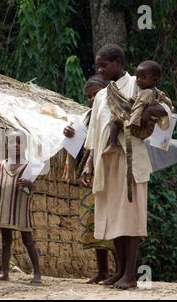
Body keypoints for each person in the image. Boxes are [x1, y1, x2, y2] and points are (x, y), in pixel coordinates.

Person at [82, 44, 172, 289]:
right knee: (115, 216)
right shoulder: (101, 95)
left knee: (130, 215)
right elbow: (94, 135)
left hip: (130, 157)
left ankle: (130, 275)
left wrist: (146, 113)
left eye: (104, 65)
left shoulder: (137, 82)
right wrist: (88, 164)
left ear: (118, 62)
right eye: (98, 65)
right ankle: (120, 271)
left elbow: (165, 109)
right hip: (105, 159)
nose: (100, 69)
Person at [64, 75, 118, 284]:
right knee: (93, 223)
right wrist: (70, 134)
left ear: (106, 91)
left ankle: (121, 270)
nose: (92, 99)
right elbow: (81, 145)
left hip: (107, 172)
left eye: (96, 94)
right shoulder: (86, 117)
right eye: (88, 96)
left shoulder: (113, 111)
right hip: (89, 176)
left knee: (113, 222)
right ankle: (103, 271)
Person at [0, 129, 41, 283]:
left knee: (28, 240)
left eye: (20, 142)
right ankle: (5, 273)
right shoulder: (0, 165)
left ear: (25, 145)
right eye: (12, 142)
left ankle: (37, 273)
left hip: (20, 209)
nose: (16, 145)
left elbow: (34, 188)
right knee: (6, 241)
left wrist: (29, 183)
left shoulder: (28, 165)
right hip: (4, 209)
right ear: (6, 144)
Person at [102, 60, 173, 156]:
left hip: (137, 125)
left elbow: (138, 107)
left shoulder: (145, 92)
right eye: (138, 77)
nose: (138, 80)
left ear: (154, 79)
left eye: (143, 77)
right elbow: (167, 101)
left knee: (115, 119)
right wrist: (171, 108)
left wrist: (133, 122)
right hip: (146, 127)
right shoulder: (158, 92)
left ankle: (112, 143)